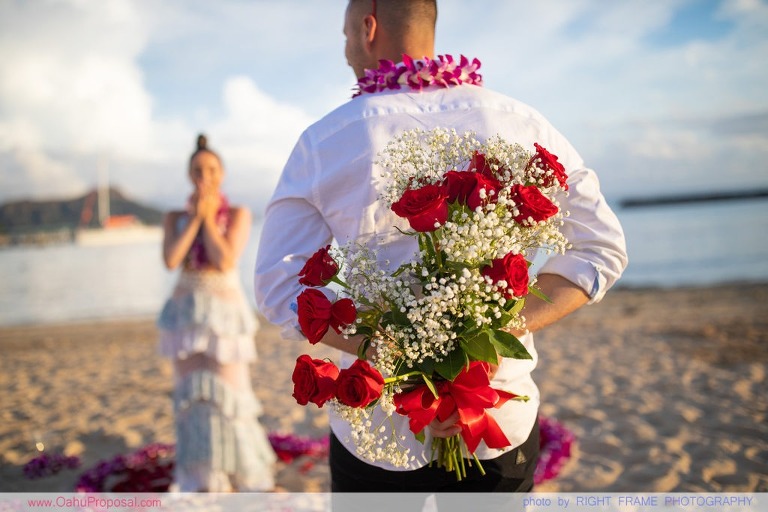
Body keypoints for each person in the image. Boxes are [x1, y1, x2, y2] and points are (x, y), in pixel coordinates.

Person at [255, 0, 627, 497]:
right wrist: (495, 333)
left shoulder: (326, 140)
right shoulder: (519, 120)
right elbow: (600, 249)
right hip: (496, 412)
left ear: (368, 28)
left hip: (379, 423)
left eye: (345, 36)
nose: (346, 53)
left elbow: (278, 285)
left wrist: (398, 355)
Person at [158, 134, 275, 492]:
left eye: (211, 169)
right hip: (184, 312)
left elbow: (224, 259)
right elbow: (171, 260)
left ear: (221, 173)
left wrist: (209, 219)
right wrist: (194, 219)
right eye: (197, 170)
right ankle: (201, 474)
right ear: (189, 174)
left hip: (223, 313)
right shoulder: (174, 216)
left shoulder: (238, 213)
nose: (204, 176)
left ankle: (241, 472)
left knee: (230, 393)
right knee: (192, 396)